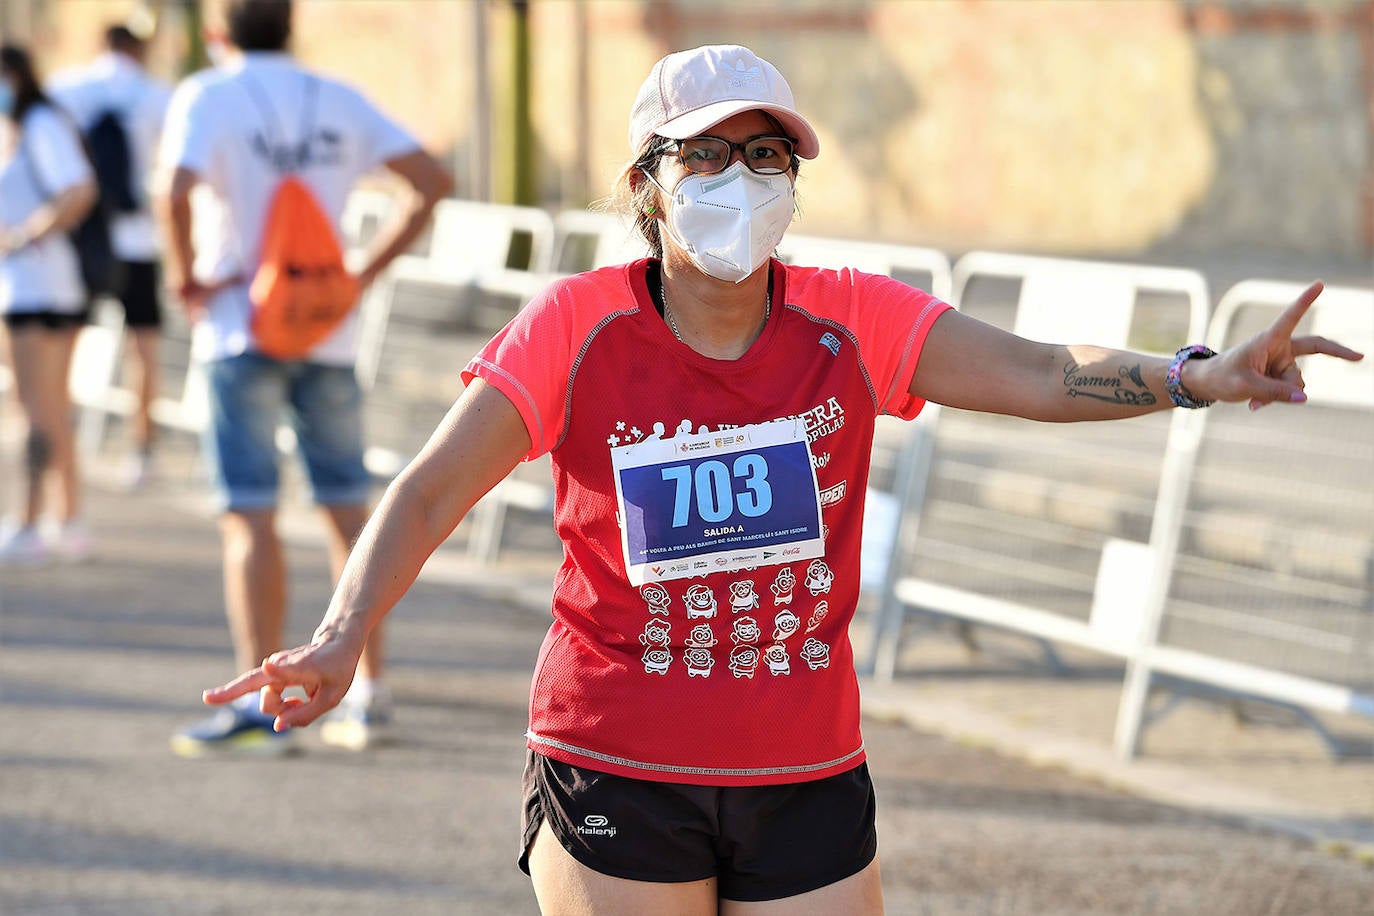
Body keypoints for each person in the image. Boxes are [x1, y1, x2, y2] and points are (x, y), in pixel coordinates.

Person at [202, 43, 1363, 912]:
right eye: (708, 153)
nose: (742, 178)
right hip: (617, 758)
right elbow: (428, 488)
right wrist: (344, 634)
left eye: (767, 155)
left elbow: (1042, 371)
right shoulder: (577, 326)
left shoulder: (849, 318)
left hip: (804, 765)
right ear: (650, 182)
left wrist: (1196, 374)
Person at [160, 0, 452, 756]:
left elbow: (174, 190)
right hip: (328, 329)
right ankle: (369, 696)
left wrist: (188, 277)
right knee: (350, 514)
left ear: (220, 32)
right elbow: (431, 179)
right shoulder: (338, 96)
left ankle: (266, 708)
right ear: (292, 27)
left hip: (237, 328)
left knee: (250, 514)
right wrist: (360, 276)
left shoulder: (208, 94)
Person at [48, 24, 173, 489]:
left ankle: (63, 432)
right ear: (137, 47)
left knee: (66, 345)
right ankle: (142, 450)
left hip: (86, 241)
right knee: (144, 349)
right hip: (140, 240)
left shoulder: (68, 88)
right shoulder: (157, 94)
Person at [0, 44, 99, 566]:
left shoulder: (38, 122)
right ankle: (67, 519)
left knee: (35, 409)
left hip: (35, 287)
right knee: (50, 408)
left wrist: (21, 237)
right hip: (38, 286)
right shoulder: (22, 126)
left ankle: (29, 520)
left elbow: (78, 190)